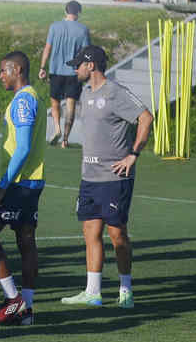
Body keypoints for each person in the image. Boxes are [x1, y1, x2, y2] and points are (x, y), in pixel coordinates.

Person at [60, 46, 152, 310]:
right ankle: (93, 291)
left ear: (91, 65)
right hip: (89, 177)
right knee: (90, 231)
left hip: (115, 177)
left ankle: (125, 290)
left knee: (117, 234)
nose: (74, 69)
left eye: (77, 64)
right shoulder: (85, 93)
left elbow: (145, 118)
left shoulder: (115, 92)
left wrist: (133, 154)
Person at [0, 51, 47, 328]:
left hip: (19, 184)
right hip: (33, 181)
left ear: (17, 69)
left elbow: (24, 147)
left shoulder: (22, 100)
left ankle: (13, 298)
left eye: (3, 71)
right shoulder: (32, 97)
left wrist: (3, 186)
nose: (0, 76)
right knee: (26, 242)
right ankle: (27, 310)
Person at [38, 0, 91, 148]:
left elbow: (47, 48)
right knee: (70, 105)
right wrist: (86, 71)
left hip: (55, 70)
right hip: (74, 72)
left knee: (54, 102)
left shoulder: (54, 27)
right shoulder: (83, 30)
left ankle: (57, 129)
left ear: (65, 11)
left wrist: (42, 67)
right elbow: (87, 53)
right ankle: (65, 140)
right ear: (78, 13)